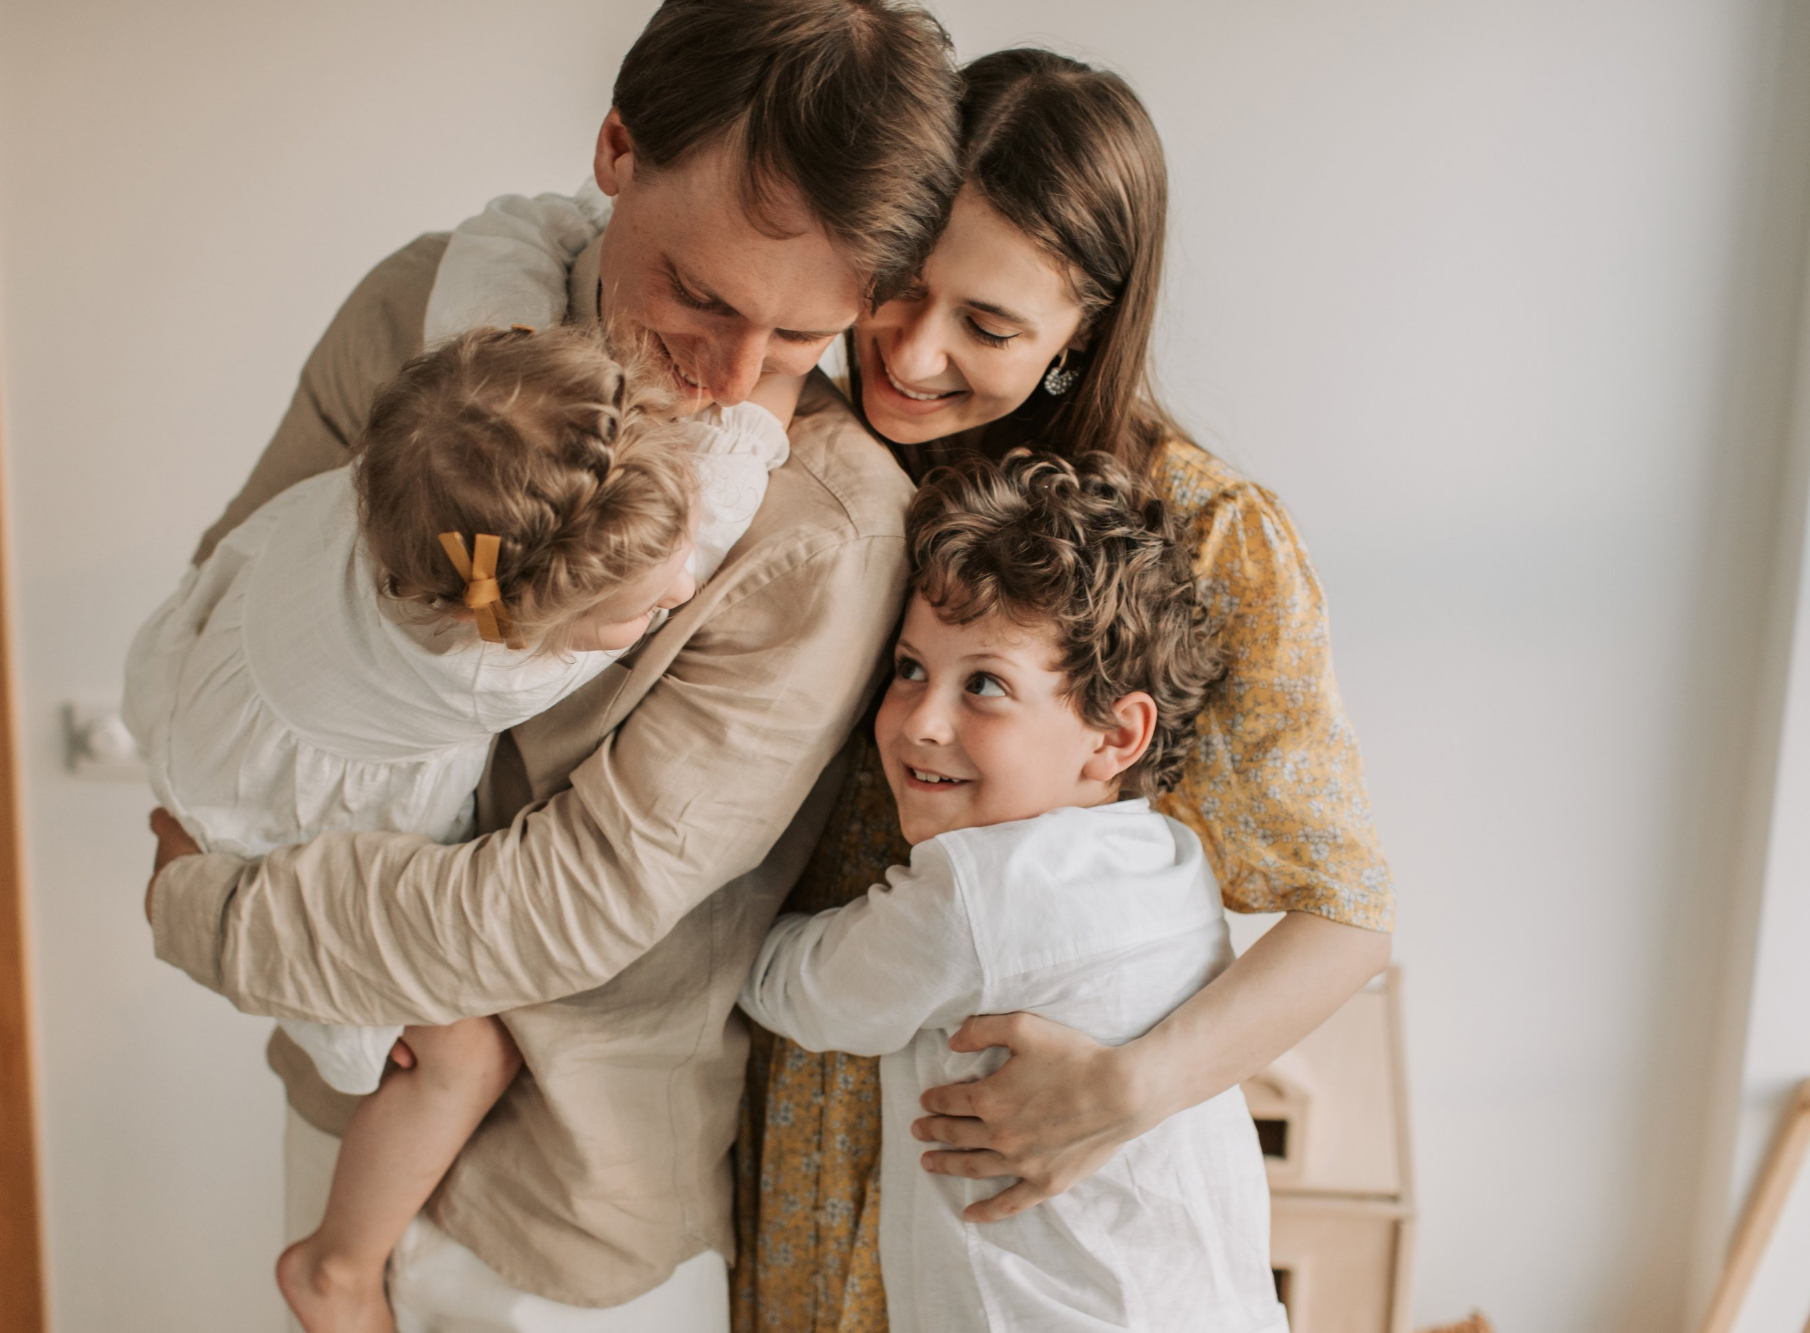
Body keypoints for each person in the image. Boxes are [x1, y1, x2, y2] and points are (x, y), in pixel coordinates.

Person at [143, 2, 962, 1329]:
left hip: (572, 1216)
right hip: (344, 1086)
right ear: (617, 147)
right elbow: (243, 592)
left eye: (805, 339)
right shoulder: (424, 306)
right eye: (698, 295)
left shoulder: (827, 526)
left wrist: (213, 910)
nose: (728, 377)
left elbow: (579, 900)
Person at [733, 48, 1394, 1332]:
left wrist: (1123, 1091)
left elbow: (1346, 918)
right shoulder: (799, 457)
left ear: (1081, 326)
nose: (911, 354)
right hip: (806, 1133)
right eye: (900, 290)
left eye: (985, 324)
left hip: (1036, 1175)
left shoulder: (1206, 540)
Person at [125, 323, 794, 1333]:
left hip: (207, 706)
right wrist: (782, 365)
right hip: (264, 813)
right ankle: (337, 1267)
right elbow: (734, 475)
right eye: (637, 610)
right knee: (462, 1055)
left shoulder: (438, 446)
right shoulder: (489, 659)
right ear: (523, 620)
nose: (682, 590)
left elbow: (498, 258)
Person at [739, 450, 1288, 1333]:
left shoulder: (978, 891)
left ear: (1115, 733)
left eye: (983, 684)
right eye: (910, 668)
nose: (921, 718)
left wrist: (717, 911)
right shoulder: (1174, 860)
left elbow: (802, 991)